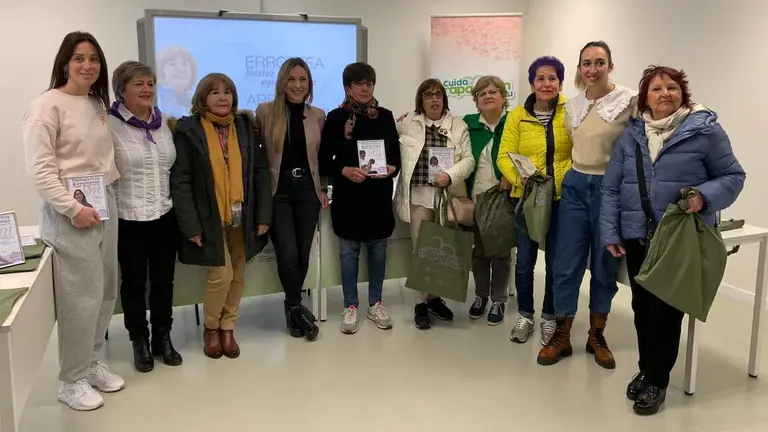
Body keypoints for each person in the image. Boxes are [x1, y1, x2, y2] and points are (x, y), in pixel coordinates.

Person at [602, 65, 745, 415]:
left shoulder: (705, 130)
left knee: (666, 312)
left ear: (683, 93)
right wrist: (611, 231)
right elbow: (611, 187)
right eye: (656, 89)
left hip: (678, 238)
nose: (665, 93)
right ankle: (647, 367)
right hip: (638, 236)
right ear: (644, 97)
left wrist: (703, 197)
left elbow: (733, 175)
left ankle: (657, 381)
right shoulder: (631, 135)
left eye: (672, 87)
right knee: (642, 309)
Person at [21, 31, 124, 411]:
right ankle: (71, 380)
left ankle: (92, 361)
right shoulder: (46, 106)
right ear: (65, 62)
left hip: (103, 203)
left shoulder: (97, 103)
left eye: (94, 59)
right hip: (71, 212)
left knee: (105, 291)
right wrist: (72, 208)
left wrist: (105, 200)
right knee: (80, 298)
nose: (87, 65)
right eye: (79, 58)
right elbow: (40, 170)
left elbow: (104, 160)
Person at [537, 41, 637, 369]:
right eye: (586, 63)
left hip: (611, 191)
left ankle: (597, 334)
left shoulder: (628, 101)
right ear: (579, 68)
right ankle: (563, 334)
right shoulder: (573, 106)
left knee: (605, 265)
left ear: (610, 65)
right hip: (576, 186)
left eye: (599, 62)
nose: (592, 69)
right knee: (566, 263)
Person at [170, 73, 272, 359]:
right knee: (221, 275)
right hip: (209, 217)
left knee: (238, 273)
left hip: (243, 214)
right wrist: (191, 225)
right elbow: (180, 181)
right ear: (202, 98)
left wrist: (263, 215)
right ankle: (211, 329)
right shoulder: (188, 130)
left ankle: (229, 328)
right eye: (214, 92)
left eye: (227, 92)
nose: (222, 97)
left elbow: (261, 173)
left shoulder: (245, 127)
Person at [107, 60, 181, 373]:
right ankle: (139, 339)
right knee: (134, 284)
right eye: (138, 83)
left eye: (150, 83)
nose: (147, 89)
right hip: (128, 217)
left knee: (164, 281)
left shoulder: (164, 123)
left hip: (164, 216)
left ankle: (163, 337)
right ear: (122, 90)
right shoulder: (108, 125)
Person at [319, 62, 401, 334]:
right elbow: (324, 160)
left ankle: (375, 302)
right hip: (348, 198)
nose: (365, 88)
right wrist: (343, 170)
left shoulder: (386, 116)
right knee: (348, 254)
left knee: (379, 250)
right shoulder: (335, 118)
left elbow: (395, 158)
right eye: (359, 84)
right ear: (347, 88)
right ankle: (350, 305)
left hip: (378, 197)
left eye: (369, 83)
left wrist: (392, 169)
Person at [497, 57, 572, 344]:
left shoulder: (571, 112)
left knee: (555, 263)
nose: (546, 84)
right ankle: (525, 315)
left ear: (560, 83)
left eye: (552, 78)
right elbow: (504, 155)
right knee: (525, 261)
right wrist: (519, 180)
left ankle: (549, 318)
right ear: (532, 84)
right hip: (526, 200)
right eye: (540, 78)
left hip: (561, 199)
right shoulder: (517, 116)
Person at [394, 78, 474, 330]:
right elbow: (387, 133)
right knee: (421, 251)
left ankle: (434, 298)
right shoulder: (408, 124)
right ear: (421, 100)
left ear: (444, 99)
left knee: (441, 251)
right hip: (417, 198)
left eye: (438, 95)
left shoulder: (458, 126)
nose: (434, 99)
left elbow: (469, 159)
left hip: (445, 200)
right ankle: (420, 303)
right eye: (428, 95)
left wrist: (450, 175)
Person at [254, 58, 325, 341]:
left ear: (309, 84)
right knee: (288, 254)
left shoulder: (318, 114)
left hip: (308, 192)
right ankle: (296, 307)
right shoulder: (265, 111)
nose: (297, 85)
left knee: (304, 254)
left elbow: (321, 157)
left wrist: (323, 188)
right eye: (292, 79)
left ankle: (292, 307)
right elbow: (256, 155)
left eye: (303, 80)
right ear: (282, 82)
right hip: (278, 193)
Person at [462, 75, 512, 326]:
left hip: (504, 198)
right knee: (480, 252)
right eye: (482, 93)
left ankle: (499, 299)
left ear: (504, 98)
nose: (488, 96)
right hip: (477, 198)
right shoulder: (468, 124)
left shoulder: (514, 123)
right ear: (476, 101)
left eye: (494, 92)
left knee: (501, 253)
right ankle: (481, 296)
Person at [156, 46, 197, 117]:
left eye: (184, 64)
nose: (180, 69)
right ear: (161, 69)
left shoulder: (195, 101)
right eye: (172, 64)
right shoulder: (156, 99)